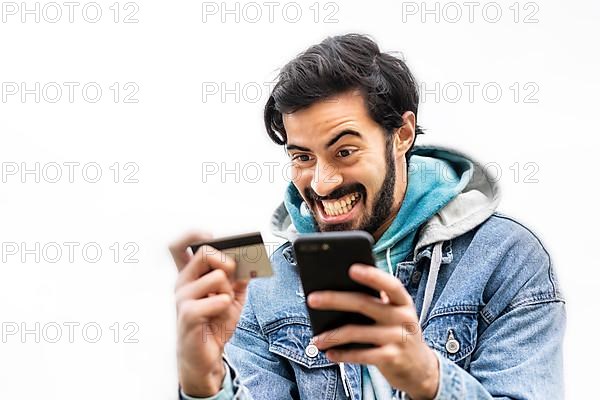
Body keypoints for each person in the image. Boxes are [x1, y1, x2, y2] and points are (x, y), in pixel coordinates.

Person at [170, 33, 565, 399]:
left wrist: (427, 378)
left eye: (344, 151)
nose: (322, 184)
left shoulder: (508, 258)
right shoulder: (263, 285)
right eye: (302, 157)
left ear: (403, 134)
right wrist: (205, 384)